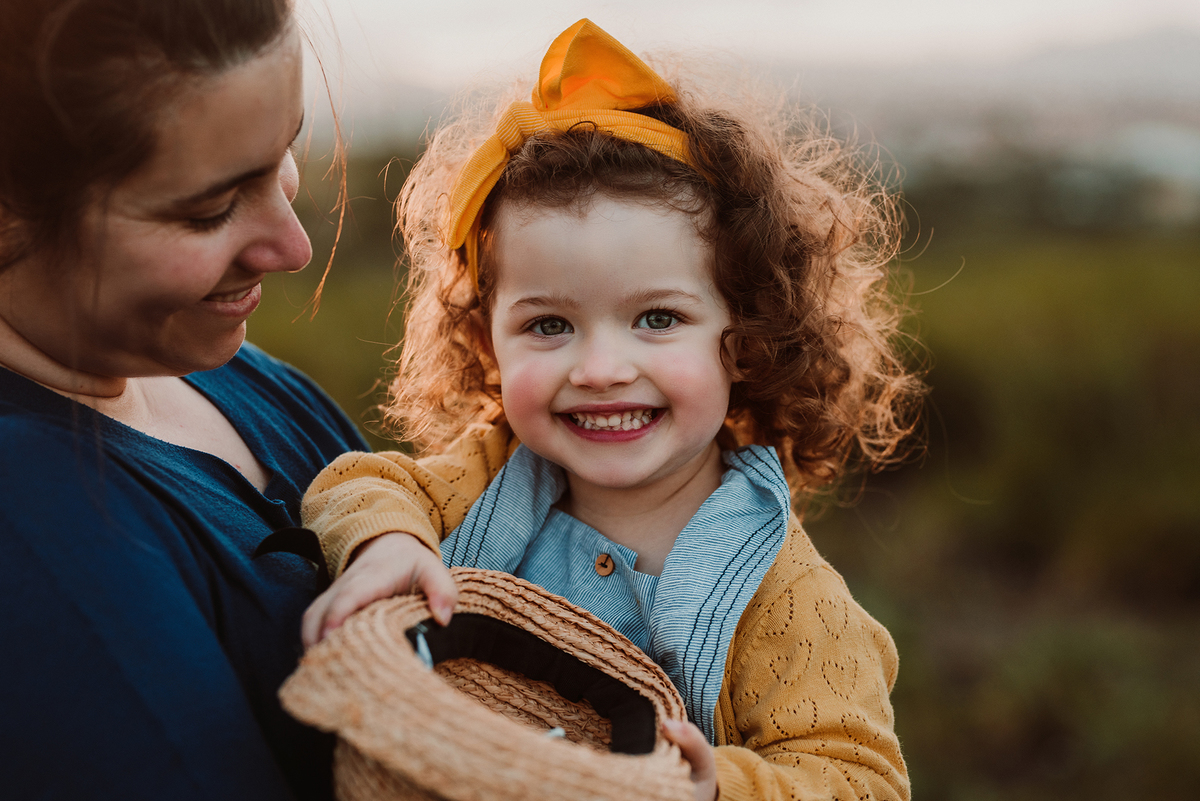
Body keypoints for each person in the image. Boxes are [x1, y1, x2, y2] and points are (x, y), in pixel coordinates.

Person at [301, 19, 923, 801]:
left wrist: (715, 785)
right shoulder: (493, 475)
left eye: (657, 318)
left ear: (742, 340)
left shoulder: (781, 591)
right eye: (549, 325)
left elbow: (859, 777)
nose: (600, 370)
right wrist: (386, 542)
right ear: (488, 342)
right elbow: (356, 482)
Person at [0, 1, 368, 799]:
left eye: (285, 154)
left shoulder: (214, 368)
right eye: (209, 210)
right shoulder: (33, 524)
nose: (294, 247)